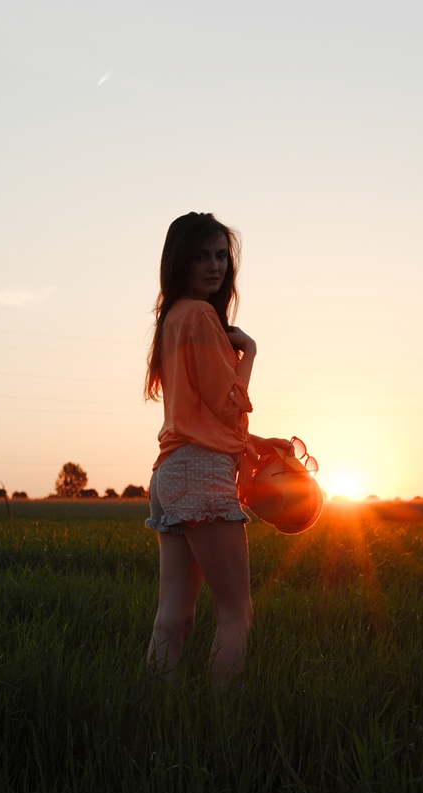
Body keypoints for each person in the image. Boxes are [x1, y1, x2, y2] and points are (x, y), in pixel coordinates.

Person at [144, 212, 291, 690]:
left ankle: (154, 715)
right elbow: (228, 405)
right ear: (178, 262)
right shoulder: (201, 316)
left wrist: (255, 443)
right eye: (200, 256)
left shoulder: (172, 318)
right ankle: (222, 724)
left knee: (173, 618)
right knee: (236, 614)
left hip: (171, 474)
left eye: (221, 256)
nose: (214, 266)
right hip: (202, 473)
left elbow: (200, 416)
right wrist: (249, 354)